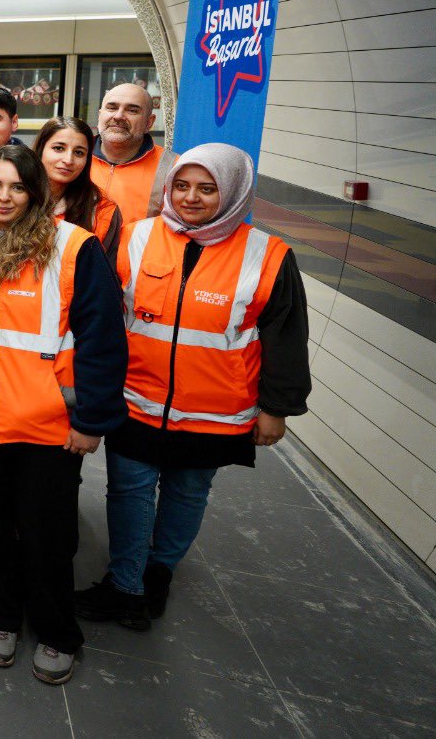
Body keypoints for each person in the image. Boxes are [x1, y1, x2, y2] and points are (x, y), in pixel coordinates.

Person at [75, 144, 309, 630]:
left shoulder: (268, 255)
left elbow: (285, 337)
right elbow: (102, 318)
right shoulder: (136, 237)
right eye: (181, 186)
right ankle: (126, 584)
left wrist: (276, 408)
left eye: (207, 188)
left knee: (186, 494)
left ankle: (158, 571)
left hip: (216, 410)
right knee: (129, 492)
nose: (190, 198)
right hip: (136, 399)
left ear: (234, 192)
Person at [0, 143, 128, 685]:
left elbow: (102, 340)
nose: (4, 197)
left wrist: (91, 421)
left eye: (17, 187)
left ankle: (55, 631)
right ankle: (0, 616)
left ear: (37, 192)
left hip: (50, 426)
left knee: (48, 534)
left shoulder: (74, 247)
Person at [91, 82, 178, 225]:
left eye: (132, 110)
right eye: (112, 108)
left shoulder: (174, 168)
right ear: (100, 115)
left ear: (149, 122)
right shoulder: (73, 158)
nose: (119, 116)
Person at [36, 118, 122, 260]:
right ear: (41, 150)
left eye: (79, 153)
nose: (68, 160)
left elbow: (103, 275)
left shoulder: (102, 211)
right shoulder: (14, 196)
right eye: (58, 148)